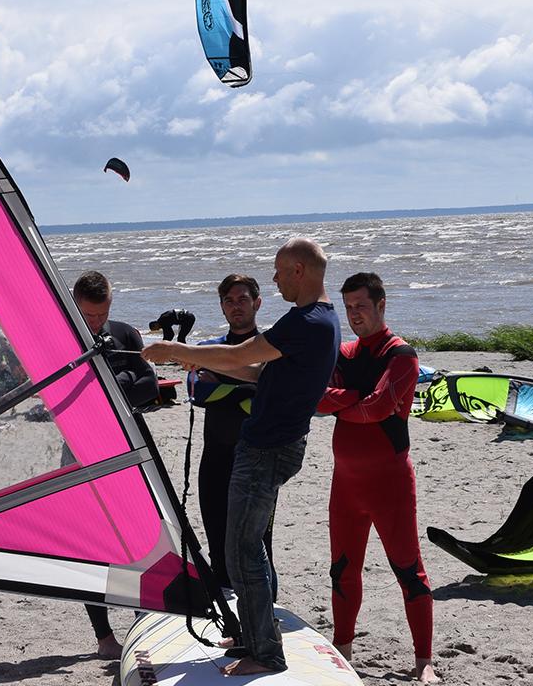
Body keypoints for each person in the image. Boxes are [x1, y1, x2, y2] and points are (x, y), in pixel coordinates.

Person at [144, 238, 339, 676]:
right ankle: (255, 631)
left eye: (277, 270)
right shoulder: (320, 318)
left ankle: (265, 653)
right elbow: (255, 370)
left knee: (244, 552)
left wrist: (176, 351)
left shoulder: (306, 321)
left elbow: (242, 354)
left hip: (267, 449)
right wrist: (203, 365)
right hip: (272, 445)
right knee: (241, 550)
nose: (273, 277)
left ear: (299, 271)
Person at [316, 272, 436, 683]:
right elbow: (316, 399)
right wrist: (352, 399)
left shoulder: (401, 355)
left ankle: (424, 662)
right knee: (342, 569)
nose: (354, 316)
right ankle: (343, 650)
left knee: (408, 569)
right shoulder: (345, 355)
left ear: (382, 305)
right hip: (345, 485)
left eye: (361, 307)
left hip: (390, 486)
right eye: (348, 308)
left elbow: (379, 408)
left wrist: (341, 402)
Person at [71, 270, 158, 660]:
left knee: (138, 533)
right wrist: (120, 383)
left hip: (127, 447)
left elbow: (150, 387)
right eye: (89, 316)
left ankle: (145, 617)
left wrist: (113, 381)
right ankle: (104, 637)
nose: (96, 323)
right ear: (74, 304)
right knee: (93, 542)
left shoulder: (124, 334)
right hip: (81, 450)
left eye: (102, 314)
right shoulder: (63, 339)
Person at [187, 275, 267, 594]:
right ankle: (227, 618)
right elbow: (198, 393)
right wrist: (247, 388)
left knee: (258, 545)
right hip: (215, 458)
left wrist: (220, 380)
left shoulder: (269, 347)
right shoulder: (210, 348)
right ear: (221, 307)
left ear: (257, 303)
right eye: (229, 301)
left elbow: (265, 399)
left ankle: (263, 617)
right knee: (218, 544)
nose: (236, 306)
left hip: (256, 460)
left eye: (243, 299)